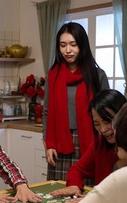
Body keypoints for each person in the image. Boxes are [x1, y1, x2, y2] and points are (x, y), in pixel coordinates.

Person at [43, 22, 110, 182]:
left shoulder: (97, 75)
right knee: (58, 191)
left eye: (73, 44)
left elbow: (106, 112)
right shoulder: (52, 76)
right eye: (63, 45)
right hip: (59, 142)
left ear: (82, 45)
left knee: (87, 194)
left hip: (89, 141)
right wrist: (48, 143)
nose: (67, 50)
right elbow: (47, 112)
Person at [49, 89, 127, 199]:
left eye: (107, 122)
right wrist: (74, 185)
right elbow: (76, 170)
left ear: (123, 115)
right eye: (97, 124)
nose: (103, 129)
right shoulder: (100, 143)